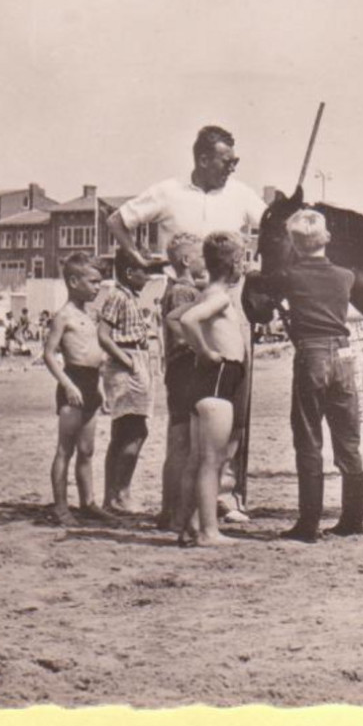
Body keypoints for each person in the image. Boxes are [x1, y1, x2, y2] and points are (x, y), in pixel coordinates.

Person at [109, 124, 268, 522]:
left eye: (236, 160)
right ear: (202, 158)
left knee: (233, 397)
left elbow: (273, 227)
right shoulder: (168, 191)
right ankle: (179, 500)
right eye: (225, 160)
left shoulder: (241, 193)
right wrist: (140, 258)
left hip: (229, 301)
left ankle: (226, 496)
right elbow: (117, 220)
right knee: (186, 401)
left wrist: (259, 262)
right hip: (183, 302)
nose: (232, 166)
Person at [273, 209, 363, 542]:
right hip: (342, 353)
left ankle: (308, 522)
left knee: (309, 438)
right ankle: (354, 518)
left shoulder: (289, 276)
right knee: (349, 439)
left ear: (294, 243)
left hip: (311, 353)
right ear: (326, 238)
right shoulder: (345, 276)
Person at [170, 231, 250, 547]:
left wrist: (199, 347)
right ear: (234, 263)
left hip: (207, 380)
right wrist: (204, 351)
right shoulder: (218, 296)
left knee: (197, 458)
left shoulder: (205, 293)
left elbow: (173, 318)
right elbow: (188, 321)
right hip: (219, 375)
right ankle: (208, 531)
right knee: (211, 460)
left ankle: (187, 524)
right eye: (243, 260)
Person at [41, 254, 112, 526]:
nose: (97, 287)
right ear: (73, 281)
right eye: (93, 282)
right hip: (73, 383)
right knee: (65, 450)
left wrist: (101, 388)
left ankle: (88, 502)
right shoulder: (64, 316)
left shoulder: (89, 314)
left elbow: (96, 355)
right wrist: (67, 385)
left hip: (92, 384)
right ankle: (60, 507)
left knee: (87, 450)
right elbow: (49, 354)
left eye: (100, 282)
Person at [96, 249, 159, 515]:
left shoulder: (129, 297)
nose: (148, 276)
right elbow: (103, 335)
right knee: (132, 430)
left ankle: (115, 495)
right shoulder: (118, 296)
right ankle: (119, 493)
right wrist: (127, 360)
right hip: (128, 360)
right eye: (144, 270)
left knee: (125, 432)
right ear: (130, 272)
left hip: (136, 358)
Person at [156, 232, 204, 531]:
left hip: (179, 368)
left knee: (180, 439)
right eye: (200, 255)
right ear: (187, 260)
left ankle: (169, 509)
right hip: (185, 367)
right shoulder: (183, 292)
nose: (205, 260)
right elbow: (182, 333)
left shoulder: (179, 288)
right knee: (181, 440)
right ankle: (172, 510)